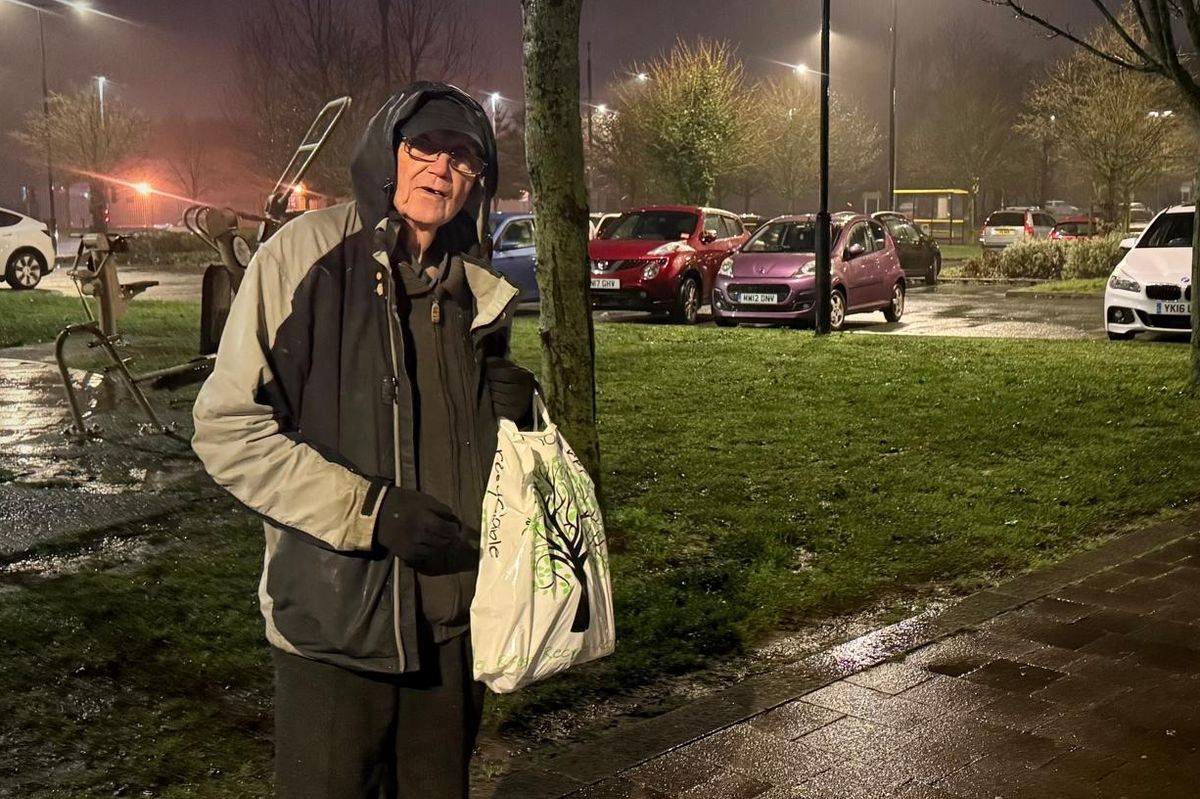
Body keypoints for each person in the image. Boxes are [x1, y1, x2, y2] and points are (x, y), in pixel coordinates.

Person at [191, 82, 535, 799]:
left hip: (451, 620)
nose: (441, 169)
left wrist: (517, 411)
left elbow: (472, 438)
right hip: (336, 624)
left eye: (464, 157)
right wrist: (370, 511)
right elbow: (228, 429)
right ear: (387, 153)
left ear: (479, 178)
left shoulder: (475, 282)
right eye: (425, 147)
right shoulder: (304, 258)